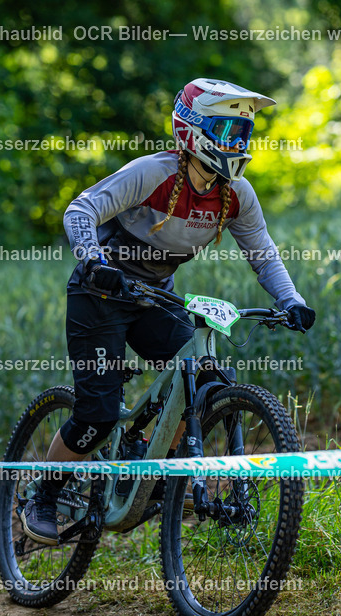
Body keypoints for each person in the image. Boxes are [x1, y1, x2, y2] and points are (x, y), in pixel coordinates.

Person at [21, 78, 316, 544]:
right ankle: (44, 495)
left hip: (154, 298)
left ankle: (150, 465)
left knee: (203, 379)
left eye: (244, 133)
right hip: (99, 296)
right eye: (227, 130)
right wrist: (94, 260)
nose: (238, 143)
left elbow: (263, 253)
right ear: (194, 130)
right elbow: (80, 210)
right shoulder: (153, 173)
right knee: (97, 414)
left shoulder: (236, 194)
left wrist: (292, 301)